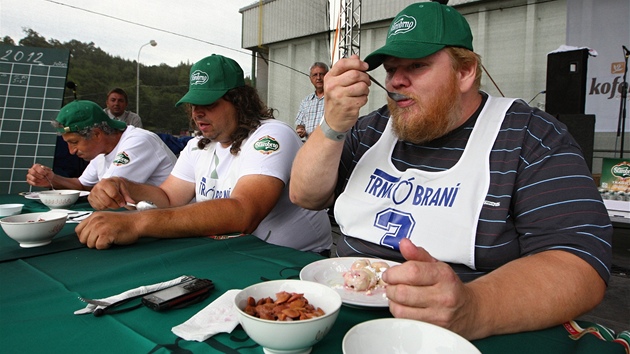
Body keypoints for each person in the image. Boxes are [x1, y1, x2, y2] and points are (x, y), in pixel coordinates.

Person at [289, 1, 612, 341]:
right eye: (391, 69)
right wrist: (333, 125)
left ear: (465, 72)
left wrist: (474, 306)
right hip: (339, 313)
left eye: (416, 66)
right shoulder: (370, 129)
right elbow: (306, 195)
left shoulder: (527, 136)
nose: (397, 81)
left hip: (458, 335)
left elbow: (580, 261)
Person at [76, 54, 332, 254]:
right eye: (194, 104)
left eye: (209, 104)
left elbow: (244, 213)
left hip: (294, 259)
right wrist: (122, 185)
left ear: (240, 102)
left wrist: (137, 223)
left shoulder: (272, 135)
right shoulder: (198, 144)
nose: (197, 112)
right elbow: (167, 196)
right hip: (237, 252)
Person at [26, 100, 177, 190]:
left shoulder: (137, 142)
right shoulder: (101, 151)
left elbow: (107, 191)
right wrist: (51, 179)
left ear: (97, 134)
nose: (71, 151)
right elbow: (82, 184)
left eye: (74, 142)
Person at [294, 62, 328, 140]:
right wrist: (301, 130)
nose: (318, 78)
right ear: (310, 79)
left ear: (328, 76)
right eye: (315, 75)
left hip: (328, 146)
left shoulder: (334, 98)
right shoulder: (306, 101)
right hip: (308, 146)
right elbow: (300, 124)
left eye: (322, 74)